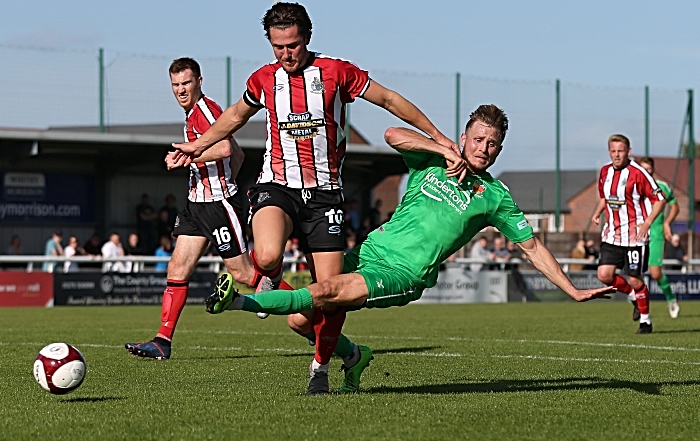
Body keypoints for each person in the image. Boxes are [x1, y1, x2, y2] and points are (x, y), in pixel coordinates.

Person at [206, 104, 614, 395]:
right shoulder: (431, 163)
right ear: (464, 138)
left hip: (404, 273)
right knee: (299, 321)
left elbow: (533, 246)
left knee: (325, 294)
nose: (484, 148)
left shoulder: (495, 196)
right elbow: (391, 134)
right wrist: (441, 150)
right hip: (370, 251)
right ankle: (354, 356)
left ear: (499, 151)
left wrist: (572, 289)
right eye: (478, 139)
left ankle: (240, 302)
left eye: (492, 144)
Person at [172, 3, 460, 389]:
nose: (285, 54)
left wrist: (438, 138)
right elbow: (236, 116)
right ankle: (269, 278)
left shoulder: (337, 73)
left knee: (330, 297)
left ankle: (322, 367)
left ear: (306, 37)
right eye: (277, 47)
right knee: (269, 253)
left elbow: (390, 100)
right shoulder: (264, 79)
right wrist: (199, 145)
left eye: (291, 45)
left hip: (324, 196)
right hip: (277, 185)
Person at [125, 57, 292, 360]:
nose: (181, 90)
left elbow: (225, 148)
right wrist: (225, 173)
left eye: (186, 83)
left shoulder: (204, 110)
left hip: (217, 205)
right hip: (196, 205)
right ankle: (163, 341)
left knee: (243, 273)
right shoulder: (191, 114)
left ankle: (310, 315)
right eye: (175, 85)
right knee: (177, 268)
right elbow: (237, 152)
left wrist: (190, 158)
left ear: (199, 82)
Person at [591, 134, 665, 334]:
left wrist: (647, 222)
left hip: (635, 238)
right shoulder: (605, 171)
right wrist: (597, 213)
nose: (616, 155)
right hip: (612, 235)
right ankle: (633, 295)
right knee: (604, 275)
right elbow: (605, 197)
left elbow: (660, 198)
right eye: (613, 151)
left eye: (620, 151)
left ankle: (646, 321)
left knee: (635, 278)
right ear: (609, 152)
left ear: (628, 151)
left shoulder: (639, 173)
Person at [638, 157, 680, 318]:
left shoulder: (661, 187)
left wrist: (667, 222)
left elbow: (675, 206)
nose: (646, 171)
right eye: (643, 168)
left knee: (655, 273)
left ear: (652, 170)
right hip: (637, 235)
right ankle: (640, 308)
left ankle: (671, 299)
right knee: (636, 273)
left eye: (648, 169)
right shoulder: (634, 187)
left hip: (655, 235)